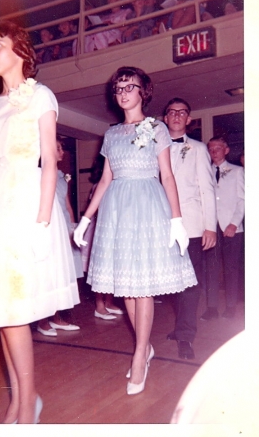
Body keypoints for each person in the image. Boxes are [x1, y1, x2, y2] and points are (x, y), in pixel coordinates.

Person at [0, 20, 80, 424]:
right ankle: (18, 402)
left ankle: (28, 402)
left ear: (19, 51)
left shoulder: (41, 96)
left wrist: (42, 221)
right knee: (0, 308)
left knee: (13, 311)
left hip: (23, 202)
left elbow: (49, 162)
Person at [74, 66, 197, 395]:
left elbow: (167, 176)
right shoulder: (111, 134)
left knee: (142, 288)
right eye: (119, 88)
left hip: (147, 205)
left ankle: (141, 352)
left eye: (131, 86)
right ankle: (144, 347)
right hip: (116, 210)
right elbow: (104, 180)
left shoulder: (156, 127)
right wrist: (86, 218)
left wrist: (176, 219)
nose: (124, 92)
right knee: (126, 287)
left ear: (144, 92)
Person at [163, 98, 217, 359]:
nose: (176, 116)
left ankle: (185, 336)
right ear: (165, 118)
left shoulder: (197, 149)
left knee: (190, 285)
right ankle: (180, 327)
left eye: (182, 112)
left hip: (192, 227)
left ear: (188, 120)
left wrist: (209, 227)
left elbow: (207, 188)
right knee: (168, 283)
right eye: (172, 112)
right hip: (160, 225)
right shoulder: (154, 148)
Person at [37, 138, 82, 334]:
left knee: (62, 273)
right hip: (49, 225)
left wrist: (72, 227)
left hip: (63, 226)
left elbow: (67, 205)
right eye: (58, 147)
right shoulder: (38, 175)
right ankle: (42, 320)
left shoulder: (63, 176)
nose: (62, 150)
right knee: (48, 272)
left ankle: (57, 317)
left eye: (62, 147)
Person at [201, 136, 245, 320]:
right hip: (211, 227)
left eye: (218, 148)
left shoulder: (237, 171)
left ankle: (231, 306)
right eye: (210, 148)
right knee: (211, 267)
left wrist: (234, 223)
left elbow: (243, 199)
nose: (214, 151)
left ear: (226, 150)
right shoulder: (204, 172)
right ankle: (211, 308)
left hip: (231, 227)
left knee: (231, 268)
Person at [81, 154, 125, 320]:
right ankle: (99, 305)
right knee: (101, 269)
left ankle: (109, 301)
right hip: (101, 228)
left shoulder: (119, 185)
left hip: (116, 229)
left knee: (112, 268)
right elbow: (98, 210)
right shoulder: (100, 186)